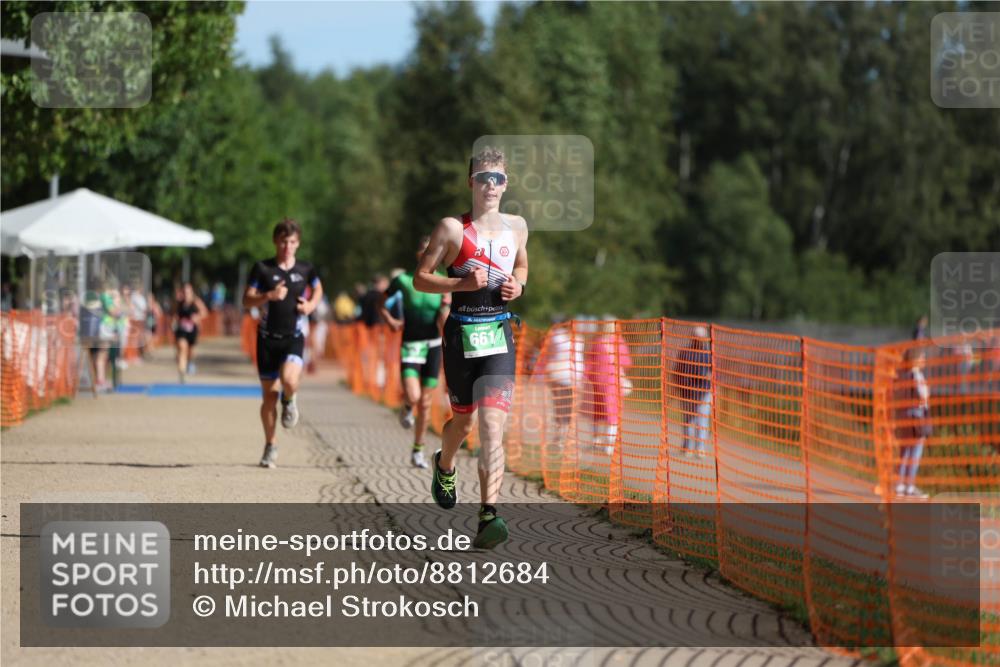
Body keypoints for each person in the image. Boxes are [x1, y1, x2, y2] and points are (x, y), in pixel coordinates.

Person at [413, 147, 528, 549]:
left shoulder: (517, 227)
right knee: (463, 423)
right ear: (471, 183)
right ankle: (444, 464)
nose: (491, 185)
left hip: (498, 334)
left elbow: (523, 265)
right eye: (483, 178)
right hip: (461, 335)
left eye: (497, 178)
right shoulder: (452, 229)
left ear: (506, 184)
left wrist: (520, 284)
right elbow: (421, 279)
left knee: (492, 427)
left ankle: (488, 516)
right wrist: (460, 285)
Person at [243, 218, 323, 469]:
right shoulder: (262, 269)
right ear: (275, 242)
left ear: (298, 244)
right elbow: (247, 300)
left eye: (292, 242)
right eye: (283, 241)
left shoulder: (306, 269)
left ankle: (289, 401)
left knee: (289, 381)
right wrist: (269, 295)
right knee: (268, 398)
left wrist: (310, 305)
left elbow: (318, 290)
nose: (287, 246)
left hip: (293, 337)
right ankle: (271, 445)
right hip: (267, 339)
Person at [379, 237, 451, 469]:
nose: (428, 256)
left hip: (432, 345)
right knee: (413, 395)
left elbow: (445, 319)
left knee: (427, 402)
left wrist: (446, 308)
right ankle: (407, 406)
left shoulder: (443, 282)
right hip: (410, 343)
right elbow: (381, 302)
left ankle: (418, 450)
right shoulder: (402, 280)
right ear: (418, 255)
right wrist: (390, 319)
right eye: (424, 252)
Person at [583, 319, 632, 457]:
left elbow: (589, 363)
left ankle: (596, 440)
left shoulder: (597, 342)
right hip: (612, 382)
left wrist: (585, 379)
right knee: (612, 414)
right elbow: (627, 362)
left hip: (596, 382)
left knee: (596, 412)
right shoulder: (618, 342)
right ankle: (609, 445)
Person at [893, 348, 931, 499]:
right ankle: (909, 486)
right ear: (915, 359)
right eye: (922, 357)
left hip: (903, 416)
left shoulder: (902, 375)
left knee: (904, 452)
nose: (924, 360)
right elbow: (922, 396)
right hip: (916, 416)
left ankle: (899, 485)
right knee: (915, 453)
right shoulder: (916, 375)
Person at [672, 326, 712, 458]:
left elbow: (676, 372)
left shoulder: (687, 352)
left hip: (693, 392)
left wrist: (677, 386)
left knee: (693, 420)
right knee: (698, 420)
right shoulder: (707, 354)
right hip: (696, 392)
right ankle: (695, 448)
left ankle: (691, 447)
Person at [173, 282, 208, 383]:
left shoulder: (196, 301)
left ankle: (190, 362)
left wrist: (198, 317)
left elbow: (205, 312)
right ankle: (182, 374)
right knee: (182, 347)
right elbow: (175, 314)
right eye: (184, 291)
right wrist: (174, 322)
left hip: (193, 330)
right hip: (181, 330)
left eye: (188, 291)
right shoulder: (179, 302)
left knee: (191, 352)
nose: (186, 293)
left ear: (192, 292)